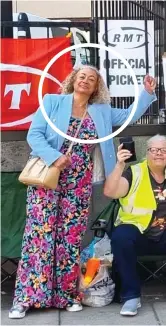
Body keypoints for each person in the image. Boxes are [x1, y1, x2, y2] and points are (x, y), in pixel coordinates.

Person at [9, 65, 156, 319]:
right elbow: (35, 135)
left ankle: (66, 295)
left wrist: (145, 93)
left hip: (79, 181)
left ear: (97, 86)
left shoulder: (101, 111)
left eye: (92, 79)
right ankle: (26, 298)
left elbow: (130, 115)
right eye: (82, 76)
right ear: (73, 80)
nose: (86, 81)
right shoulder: (53, 101)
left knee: (70, 237)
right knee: (39, 236)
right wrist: (55, 158)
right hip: (47, 178)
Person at [104, 134, 166, 316]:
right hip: (139, 233)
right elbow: (110, 192)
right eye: (154, 150)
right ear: (147, 152)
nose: (158, 154)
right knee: (121, 237)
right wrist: (119, 165)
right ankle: (131, 296)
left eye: (163, 150)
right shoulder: (135, 172)